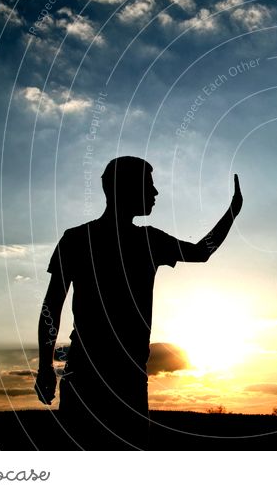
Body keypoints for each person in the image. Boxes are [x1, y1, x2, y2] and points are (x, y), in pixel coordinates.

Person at [34, 156, 243, 449]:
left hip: (116, 377)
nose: (155, 193)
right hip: (101, 377)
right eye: (149, 185)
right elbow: (51, 307)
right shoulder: (108, 240)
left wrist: (46, 367)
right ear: (125, 188)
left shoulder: (86, 239)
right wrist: (44, 367)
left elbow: (51, 308)